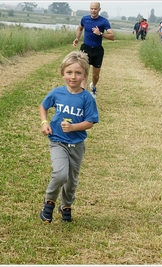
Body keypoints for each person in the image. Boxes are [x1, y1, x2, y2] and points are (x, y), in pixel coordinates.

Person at [39, 51, 99, 224]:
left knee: (71, 181)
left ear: (85, 75)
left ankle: (66, 205)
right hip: (58, 141)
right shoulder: (57, 93)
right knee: (60, 174)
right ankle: (49, 202)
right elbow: (43, 106)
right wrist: (44, 123)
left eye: (78, 73)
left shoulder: (87, 98)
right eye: (69, 72)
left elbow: (89, 122)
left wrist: (73, 127)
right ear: (63, 73)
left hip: (77, 144)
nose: (73, 77)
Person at [73, 2, 115, 98]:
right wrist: (77, 38)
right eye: (91, 8)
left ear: (99, 9)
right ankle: (84, 95)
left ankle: (94, 86)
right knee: (84, 73)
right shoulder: (85, 19)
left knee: (95, 76)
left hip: (97, 50)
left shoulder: (104, 21)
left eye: (95, 9)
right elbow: (80, 28)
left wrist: (100, 33)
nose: (93, 11)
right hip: (85, 48)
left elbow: (112, 36)